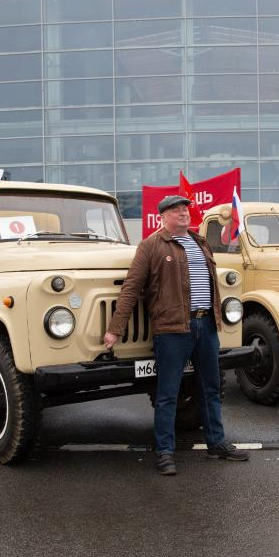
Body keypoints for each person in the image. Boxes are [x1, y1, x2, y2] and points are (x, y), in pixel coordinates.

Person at [103, 194, 249, 475]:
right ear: (163, 217)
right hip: (172, 330)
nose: (183, 213)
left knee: (210, 389)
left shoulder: (200, 242)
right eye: (176, 210)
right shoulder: (151, 246)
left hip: (206, 327)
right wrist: (115, 329)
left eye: (185, 209)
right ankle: (165, 452)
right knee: (168, 394)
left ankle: (216, 443)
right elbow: (131, 288)